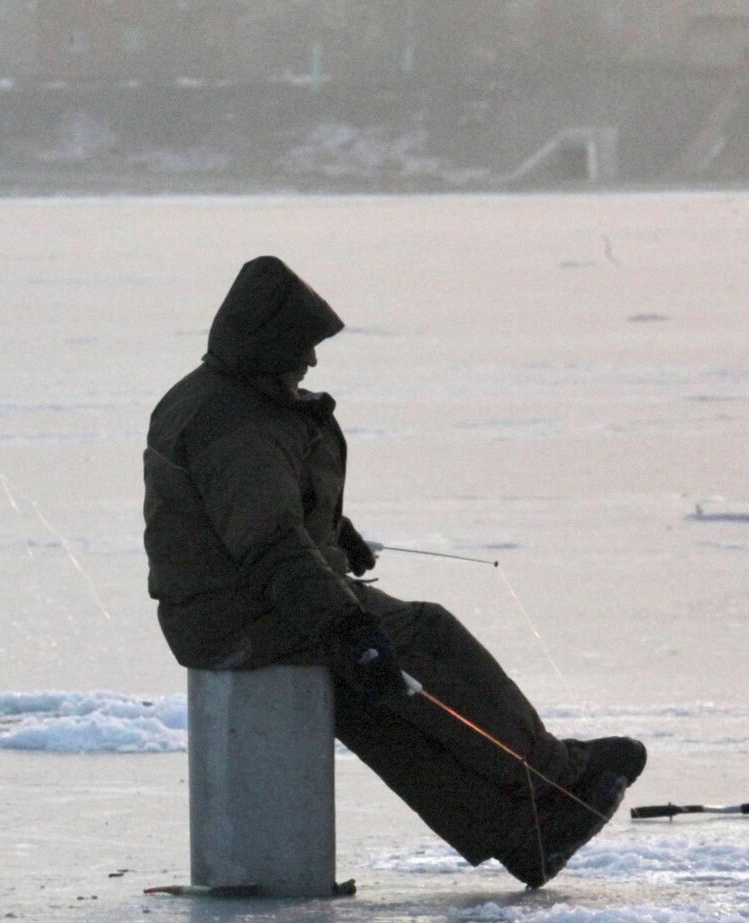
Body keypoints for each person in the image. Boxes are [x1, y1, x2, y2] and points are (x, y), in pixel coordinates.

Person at [142, 255, 644, 888]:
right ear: (268, 343)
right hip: (242, 613)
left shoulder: (228, 399)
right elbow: (271, 544)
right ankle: (557, 774)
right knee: (422, 637)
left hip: (224, 608)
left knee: (367, 698)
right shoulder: (237, 422)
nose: (313, 362)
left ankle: (519, 832)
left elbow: (257, 514)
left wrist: (331, 532)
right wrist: (350, 627)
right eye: (304, 347)